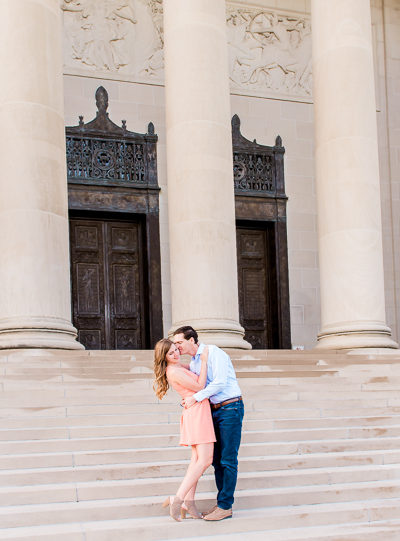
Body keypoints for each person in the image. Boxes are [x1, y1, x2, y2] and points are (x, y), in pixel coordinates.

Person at [173, 326, 244, 521]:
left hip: (230, 408)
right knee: (216, 460)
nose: (177, 347)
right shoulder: (195, 361)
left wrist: (195, 397)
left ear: (192, 340)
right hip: (213, 411)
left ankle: (225, 506)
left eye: (179, 342)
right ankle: (222, 504)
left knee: (228, 459)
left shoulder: (214, 352)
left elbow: (220, 383)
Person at [153, 338, 216, 521]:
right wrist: (204, 361)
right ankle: (178, 498)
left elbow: (192, 368)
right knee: (205, 459)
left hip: (197, 411)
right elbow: (199, 386)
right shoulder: (173, 370)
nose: (176, 354)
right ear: (164, 357)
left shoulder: (179, 367)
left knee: (197, 459)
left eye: (176, 349)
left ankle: (188, 502)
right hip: (197, 413)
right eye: (171, 353)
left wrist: (197, 357)